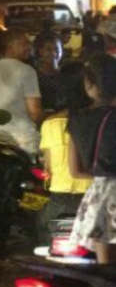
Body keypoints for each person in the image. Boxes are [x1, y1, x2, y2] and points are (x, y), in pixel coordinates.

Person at [67, 54, 116, 263]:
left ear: (89, 85)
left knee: (106, 272)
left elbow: (75, 170)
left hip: (98, 195)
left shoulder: (76, 119)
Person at [38, 61, 93, 244]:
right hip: (90, 199)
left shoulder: (49, 124)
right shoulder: (95, 122)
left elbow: (47, 166)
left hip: (58, 201)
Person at [0, 30, 44, 154]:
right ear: (10, 44)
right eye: (25, 43)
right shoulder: (27, 71)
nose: (29, 47)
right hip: (23, 139)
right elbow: (35, 112)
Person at [35, 35, 64, 113]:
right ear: (41, 51)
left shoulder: (68, 73)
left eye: (57, 49)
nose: (54, 53)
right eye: (48, 50)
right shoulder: (34, 75)